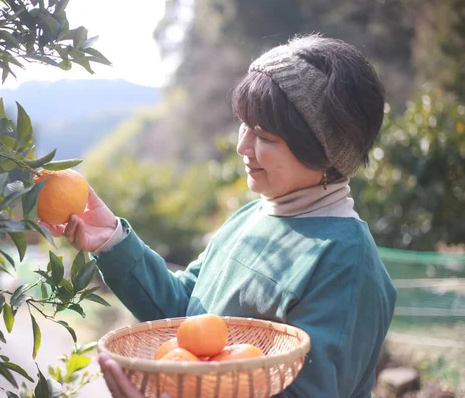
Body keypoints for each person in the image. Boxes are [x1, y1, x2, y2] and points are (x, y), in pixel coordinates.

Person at [41, 34, 398, 398]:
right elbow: (185, 314)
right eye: (245, 124)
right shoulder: (252, 217)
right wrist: (113, 242)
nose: (243, 146)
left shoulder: (345, 262)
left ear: (325, 154)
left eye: (265, 137)